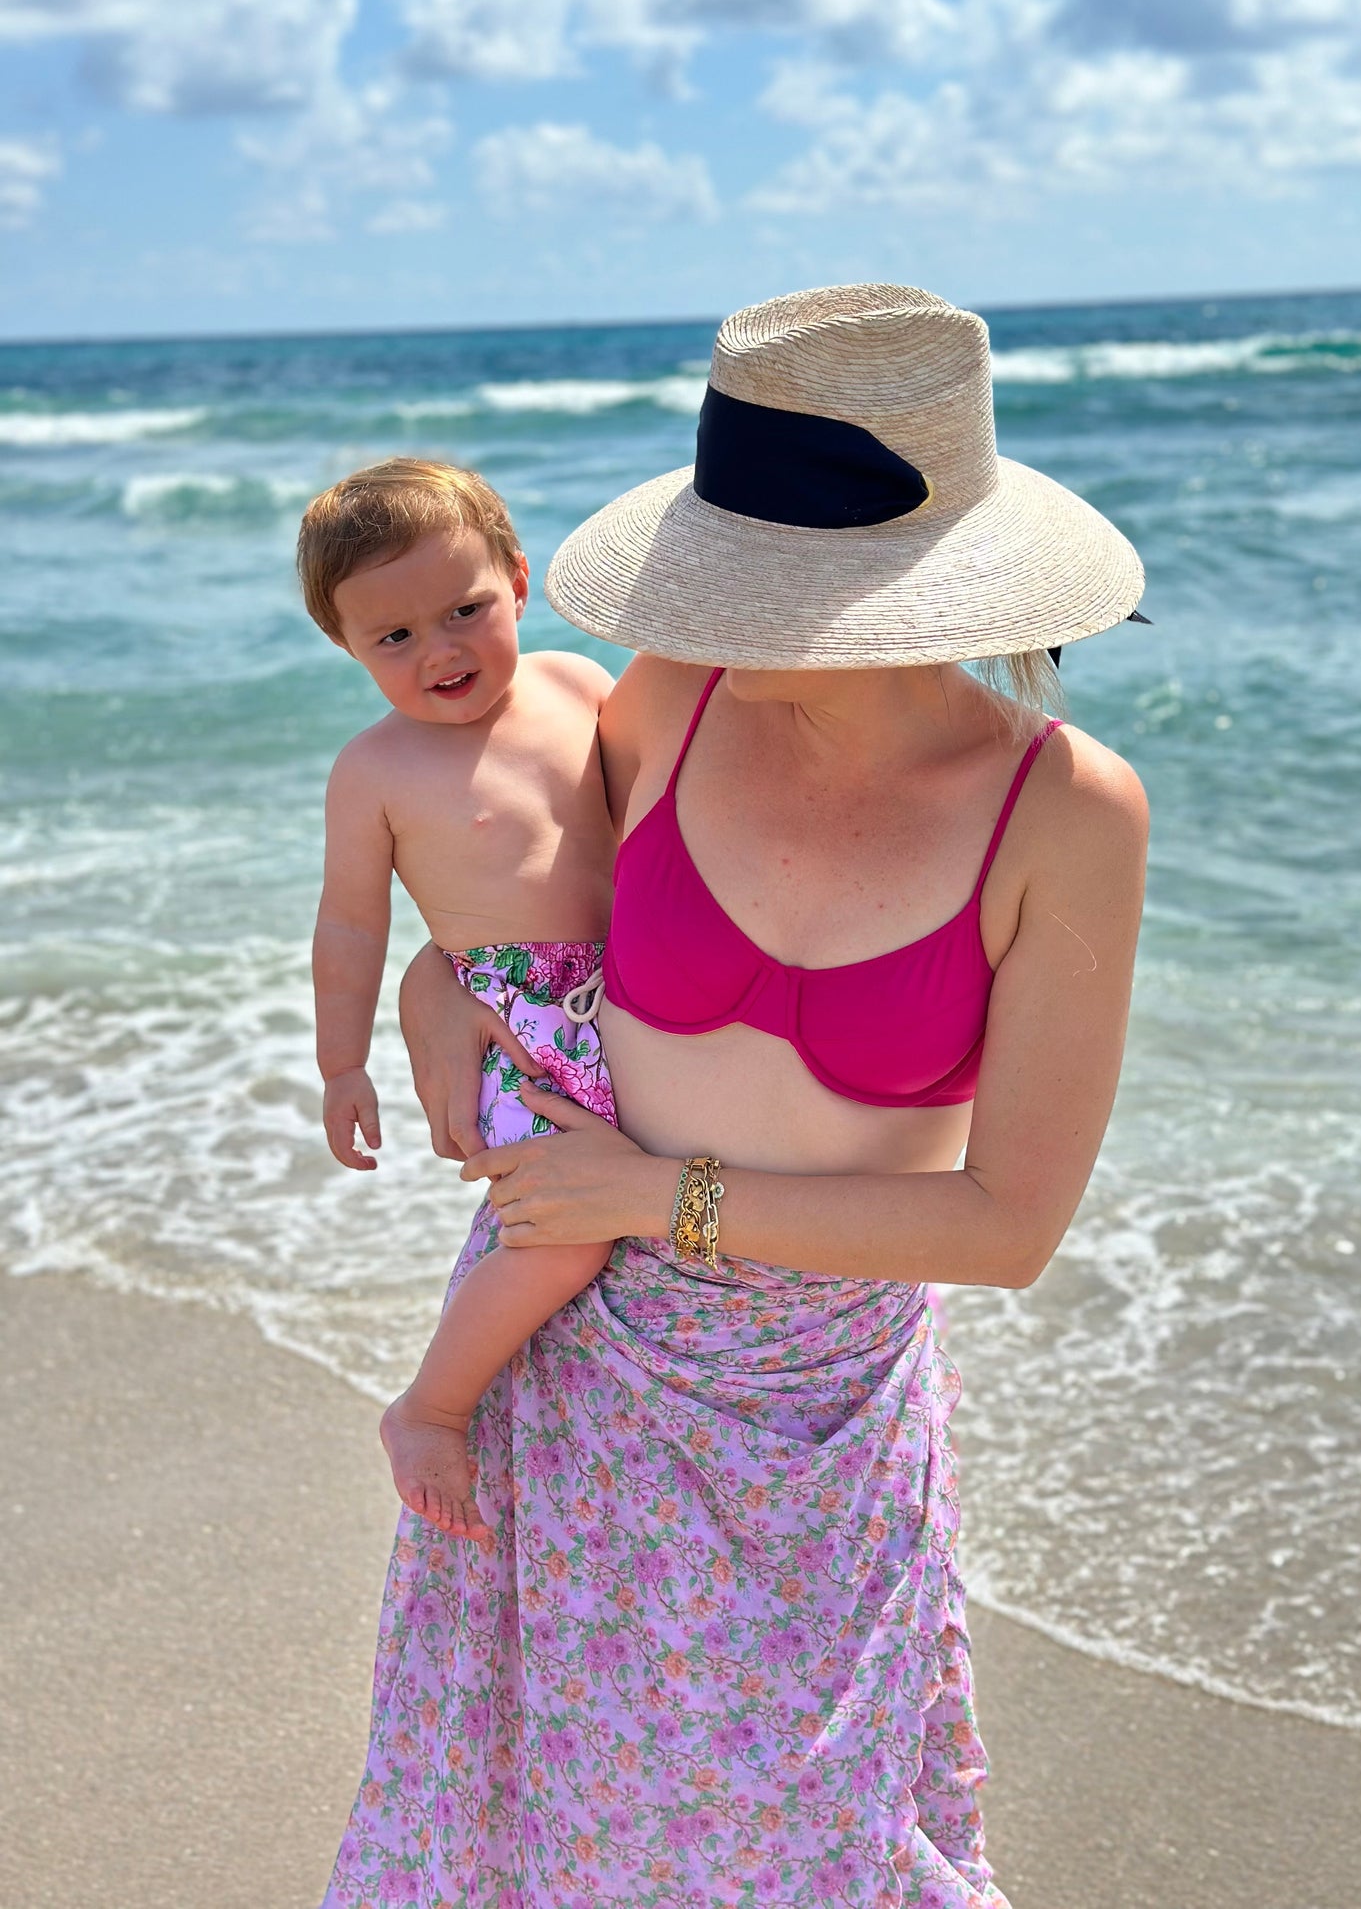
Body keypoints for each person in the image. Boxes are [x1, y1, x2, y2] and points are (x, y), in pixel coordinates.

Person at [321, 285, 1150, 1908]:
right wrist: (435, 988)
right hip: (566, 1341)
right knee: (529, 1805)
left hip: (814, 1407)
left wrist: (662, 1199)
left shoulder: (1064, 812)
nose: (715, 612)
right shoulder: (674, 693)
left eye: (761, 584)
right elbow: (533, 914)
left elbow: (1010, 1224)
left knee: (793, 1834)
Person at [299, 457, 620, 1540]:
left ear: (518, 580)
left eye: (464, 609)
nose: (438, 650)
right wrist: (342, 1065)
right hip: (516, 1023)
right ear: (347, 647)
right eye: (392, 638)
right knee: (562, 1233)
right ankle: (430, 1407)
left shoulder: (579, 685)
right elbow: (350, 925)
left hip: (629, 992)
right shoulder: (375, 770)